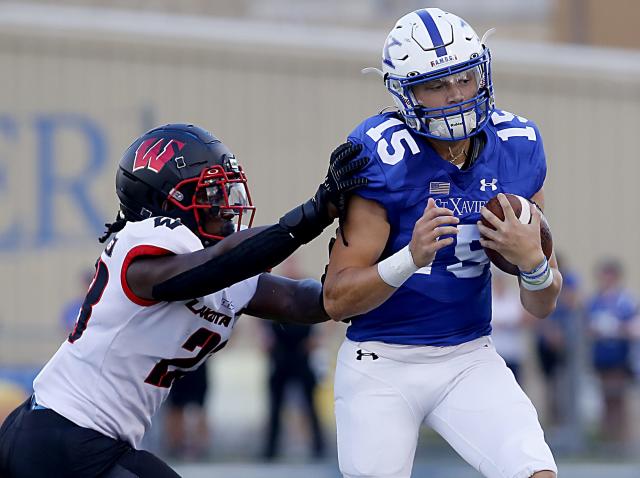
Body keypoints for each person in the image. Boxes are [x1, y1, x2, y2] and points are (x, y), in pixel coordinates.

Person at [0, 123, 368, 478]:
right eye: (209, 193)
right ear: (165, 201)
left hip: (83, 440)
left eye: (225, 192)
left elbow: (306, 302)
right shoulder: (143, 244)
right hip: (60, 433)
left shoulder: (216, 266)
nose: (224, 205)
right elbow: (209, 269)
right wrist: (312, 215)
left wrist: (381, 265)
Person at [322, 9, 562, 478]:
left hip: (470, 356)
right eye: (435, 85)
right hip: (381, 361)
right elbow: (336, 298)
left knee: (535, 472)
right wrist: (409, 258)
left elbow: (542, 305)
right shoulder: (379, 154)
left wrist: (532, 262)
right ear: (405, 93)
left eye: (464, 78)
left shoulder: (518, 146)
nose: (455, 96)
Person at [586, 259, 637, 444]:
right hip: (601, 357)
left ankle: (622, 439)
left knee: (619, 399)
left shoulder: (625, 300)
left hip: (619, 358)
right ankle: (607, 440)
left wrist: (616, 328)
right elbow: (586, 325)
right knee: (605, 399)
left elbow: (633, 326)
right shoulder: (595, 301)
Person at [491, 268, 531, 385]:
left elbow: (525, 319)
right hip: (496, 353)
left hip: (513, 353)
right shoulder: (489, 298)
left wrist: (507, 323)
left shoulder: (513, 298)